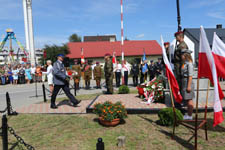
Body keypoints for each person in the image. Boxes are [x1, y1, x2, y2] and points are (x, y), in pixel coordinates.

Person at [180, 49, 195, 120]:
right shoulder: (185, 63)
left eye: (182, 55)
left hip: (188, 82)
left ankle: (189, 116)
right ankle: (189, 114)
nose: (181, 56)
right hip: (184, 81)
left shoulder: (189, 64)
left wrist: (188, 86)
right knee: (187, 99)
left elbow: (190, 76)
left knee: (189, 99)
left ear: (186, 55)